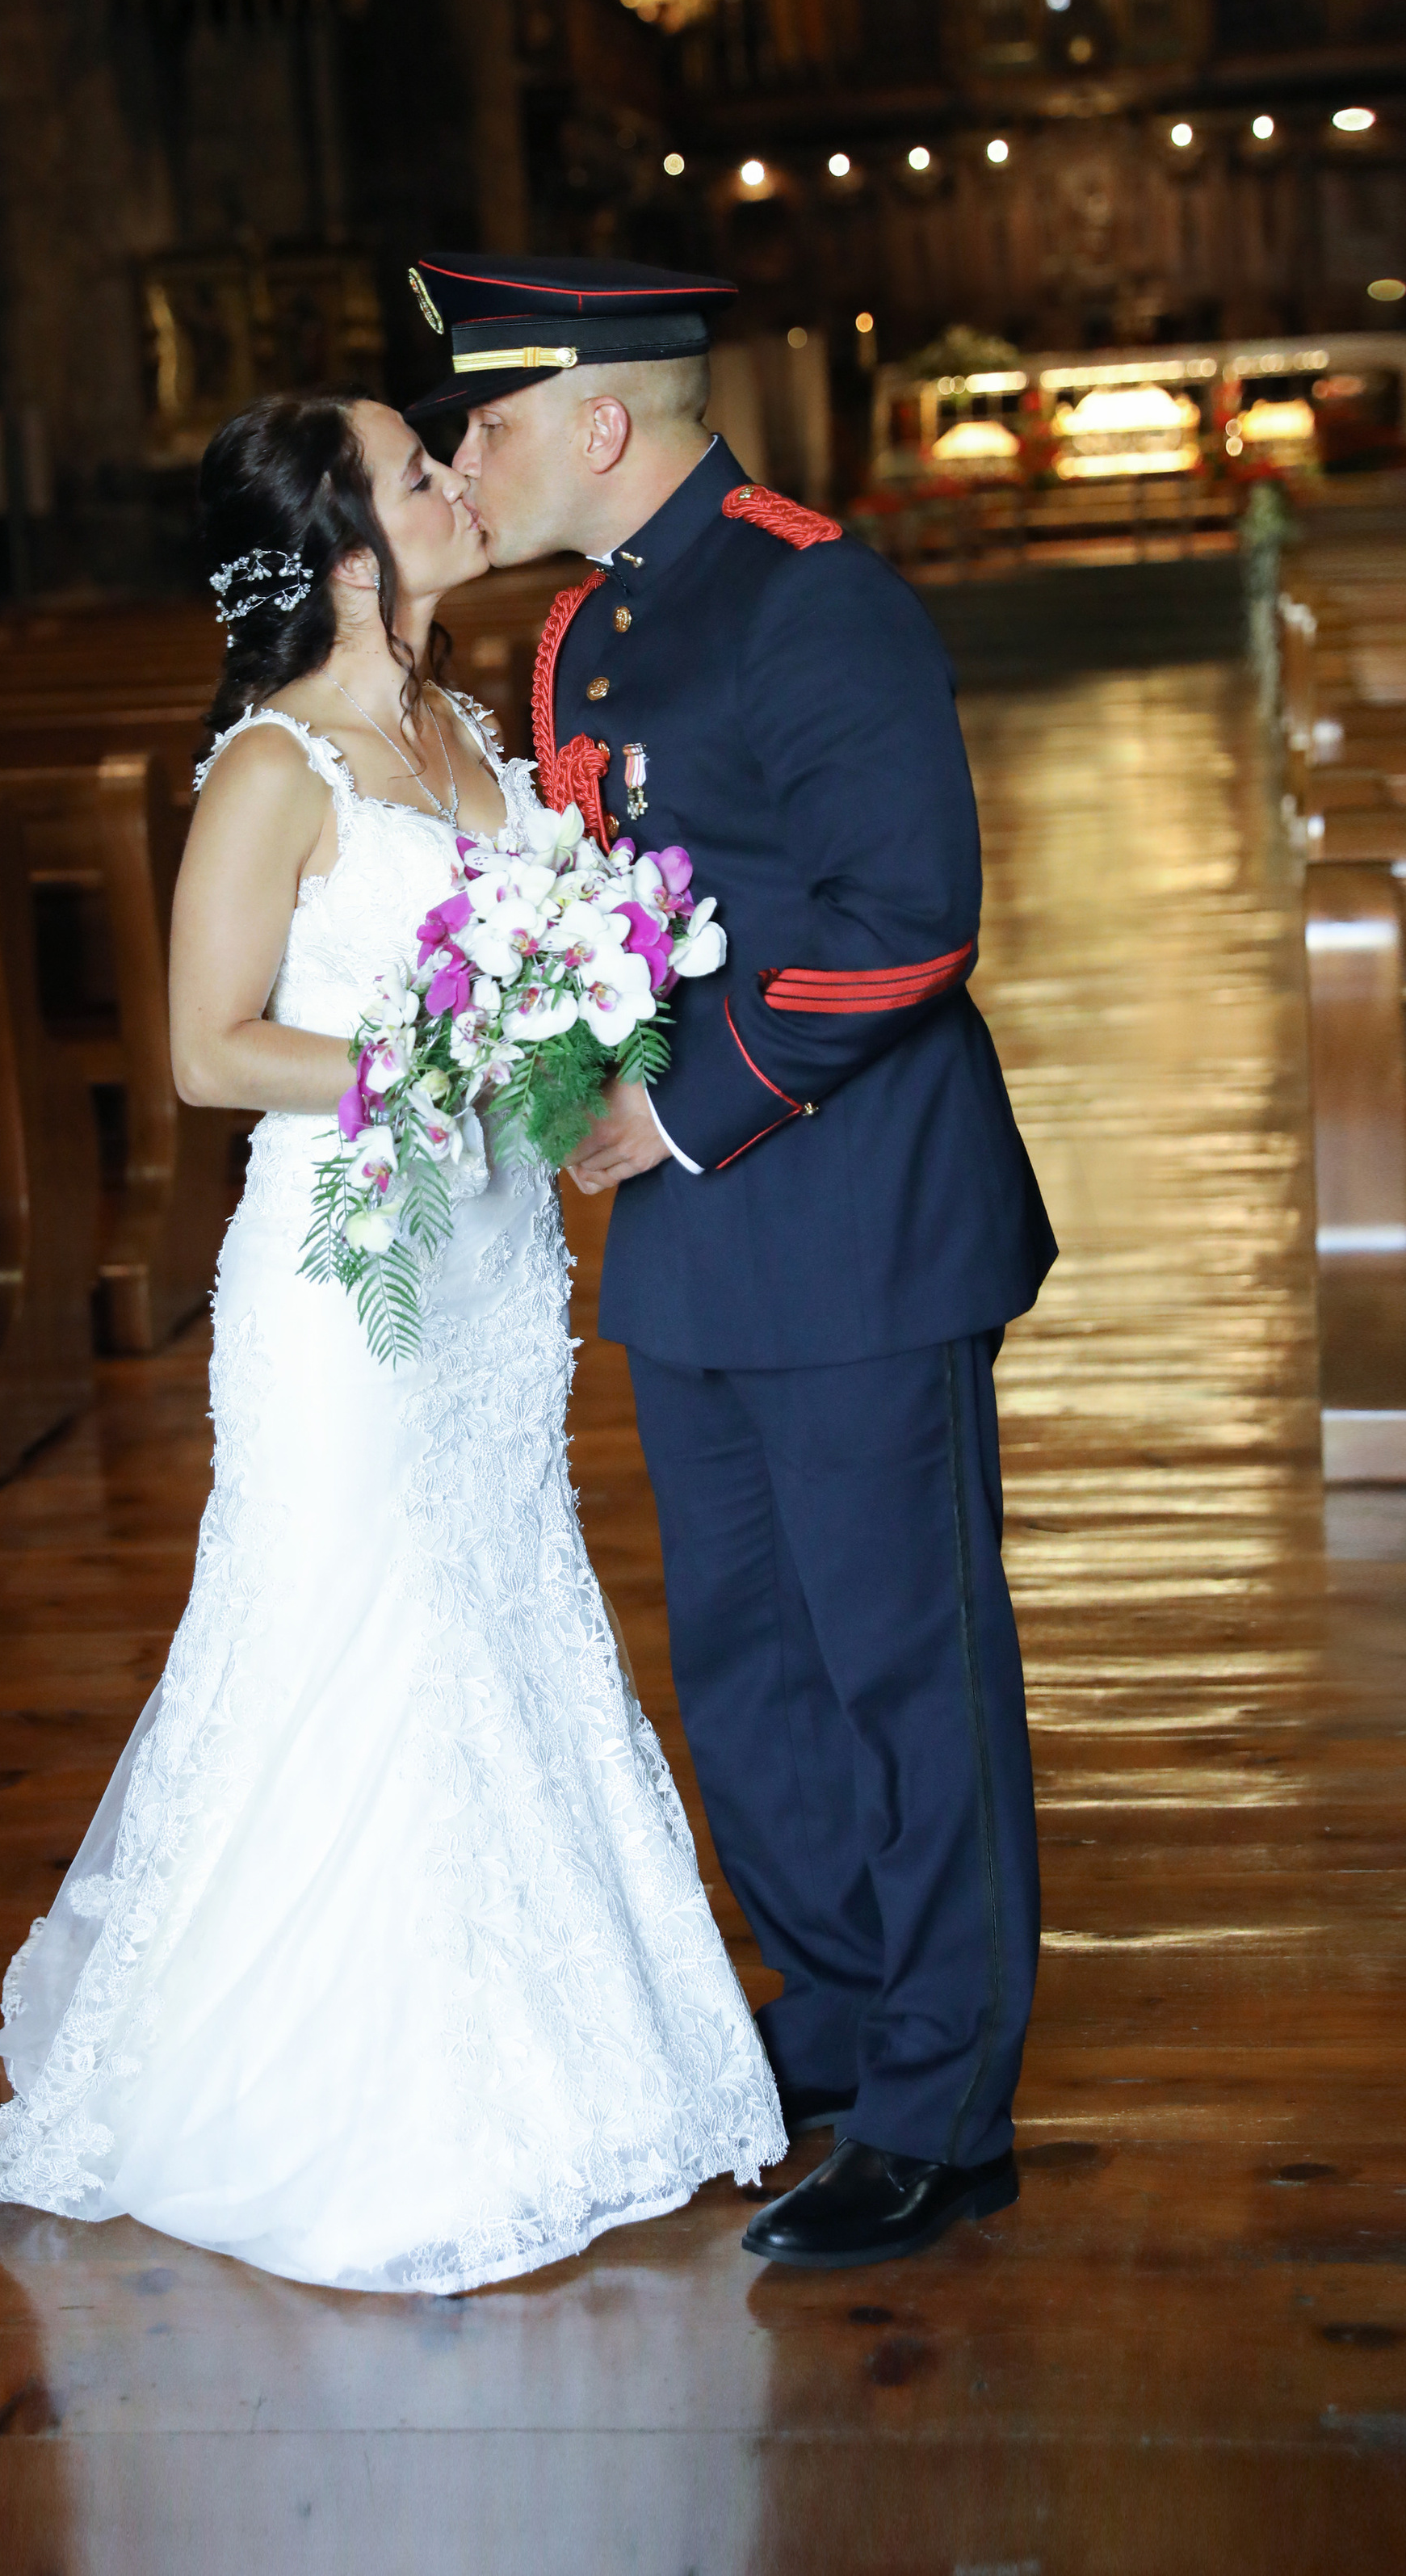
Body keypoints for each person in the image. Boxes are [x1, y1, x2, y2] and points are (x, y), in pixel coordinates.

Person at [0, 389, 783, 2291]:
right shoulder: (272, 771)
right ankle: (363, 2107)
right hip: (345, 1282)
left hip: (483, 1273)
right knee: (354, 1629)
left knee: (495, 1602)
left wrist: (579, 1020)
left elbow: (552, 944)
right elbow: (203, 1047)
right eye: (420, 475)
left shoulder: (465, 726)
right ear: (345, 557)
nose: (456, 483)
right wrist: (445, 1063)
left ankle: (566, 2061)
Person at [406, 250, 1056, 2273]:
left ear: (599, 421)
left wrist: (687, 1110)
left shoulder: (808, 591)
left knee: (901, 1670)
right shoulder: (588, 626)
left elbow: (906, 918)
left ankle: (945, 2108)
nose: (459, 459)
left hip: (849, 1218)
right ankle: (846, 2017)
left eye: (486, 425)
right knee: (750, 1670)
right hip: (688, 1248)